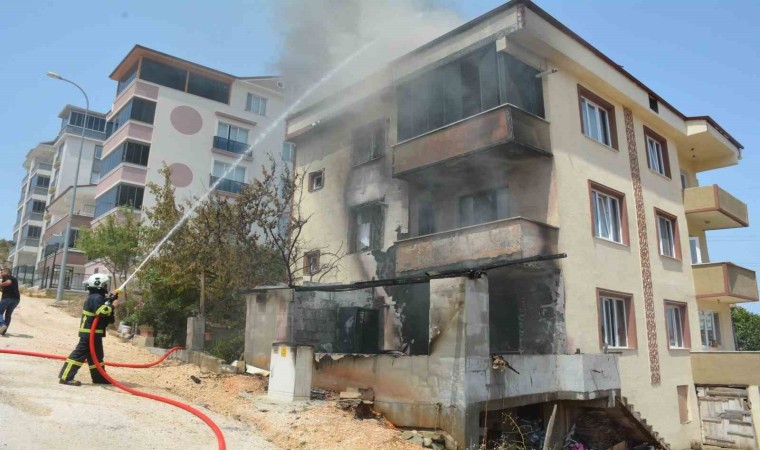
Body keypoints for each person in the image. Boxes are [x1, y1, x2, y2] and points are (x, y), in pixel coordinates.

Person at [58, 273, 119, 386]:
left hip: (94, 333)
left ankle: (99, 378)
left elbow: (103, 308)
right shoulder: (96, 298)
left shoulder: (96, 297)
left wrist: (111, 299)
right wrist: (113, 305)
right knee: (78, 355)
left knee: (97, 356)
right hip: (89, 334)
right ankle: (65, 377)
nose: (106, 286)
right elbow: (101, 311)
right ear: (99, 285)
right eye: (104, 284)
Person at [0, 267, 21, 336]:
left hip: (7, 298)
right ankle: (3, 331)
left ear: (6, 272)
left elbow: (8, 282)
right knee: (8, 315)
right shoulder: (14, 279)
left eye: (2, 272)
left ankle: (2, 324)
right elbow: (8, 288)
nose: (1, 274)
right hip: (16, 299)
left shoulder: (6, 276)